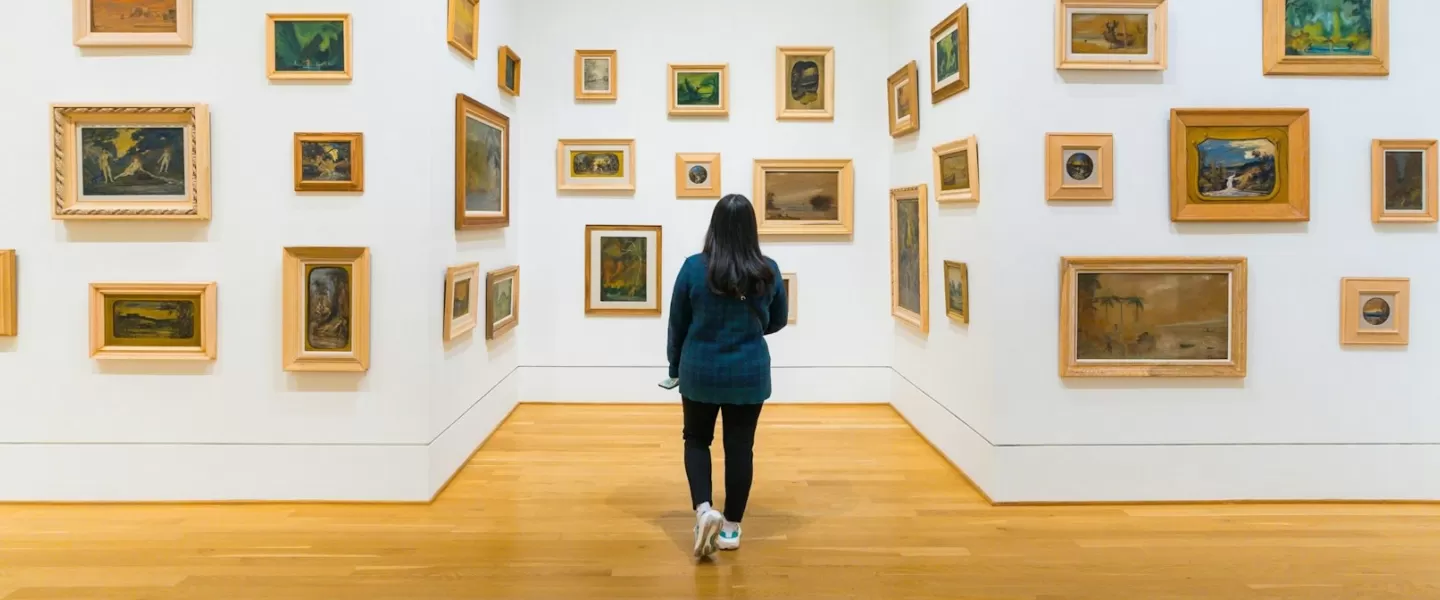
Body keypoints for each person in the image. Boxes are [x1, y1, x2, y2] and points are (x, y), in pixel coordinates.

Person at [667, 194, 788, 559]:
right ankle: (732, 527)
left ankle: (704, 511)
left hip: (699, 370)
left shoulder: (692, 268)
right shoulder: (767, 270)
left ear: (714, 226)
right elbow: (778, 319)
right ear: (751, 228)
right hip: (748, 372)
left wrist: (675, 368)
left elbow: (678, 325)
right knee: (740, 448)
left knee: (696, 440)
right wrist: (747, 332)